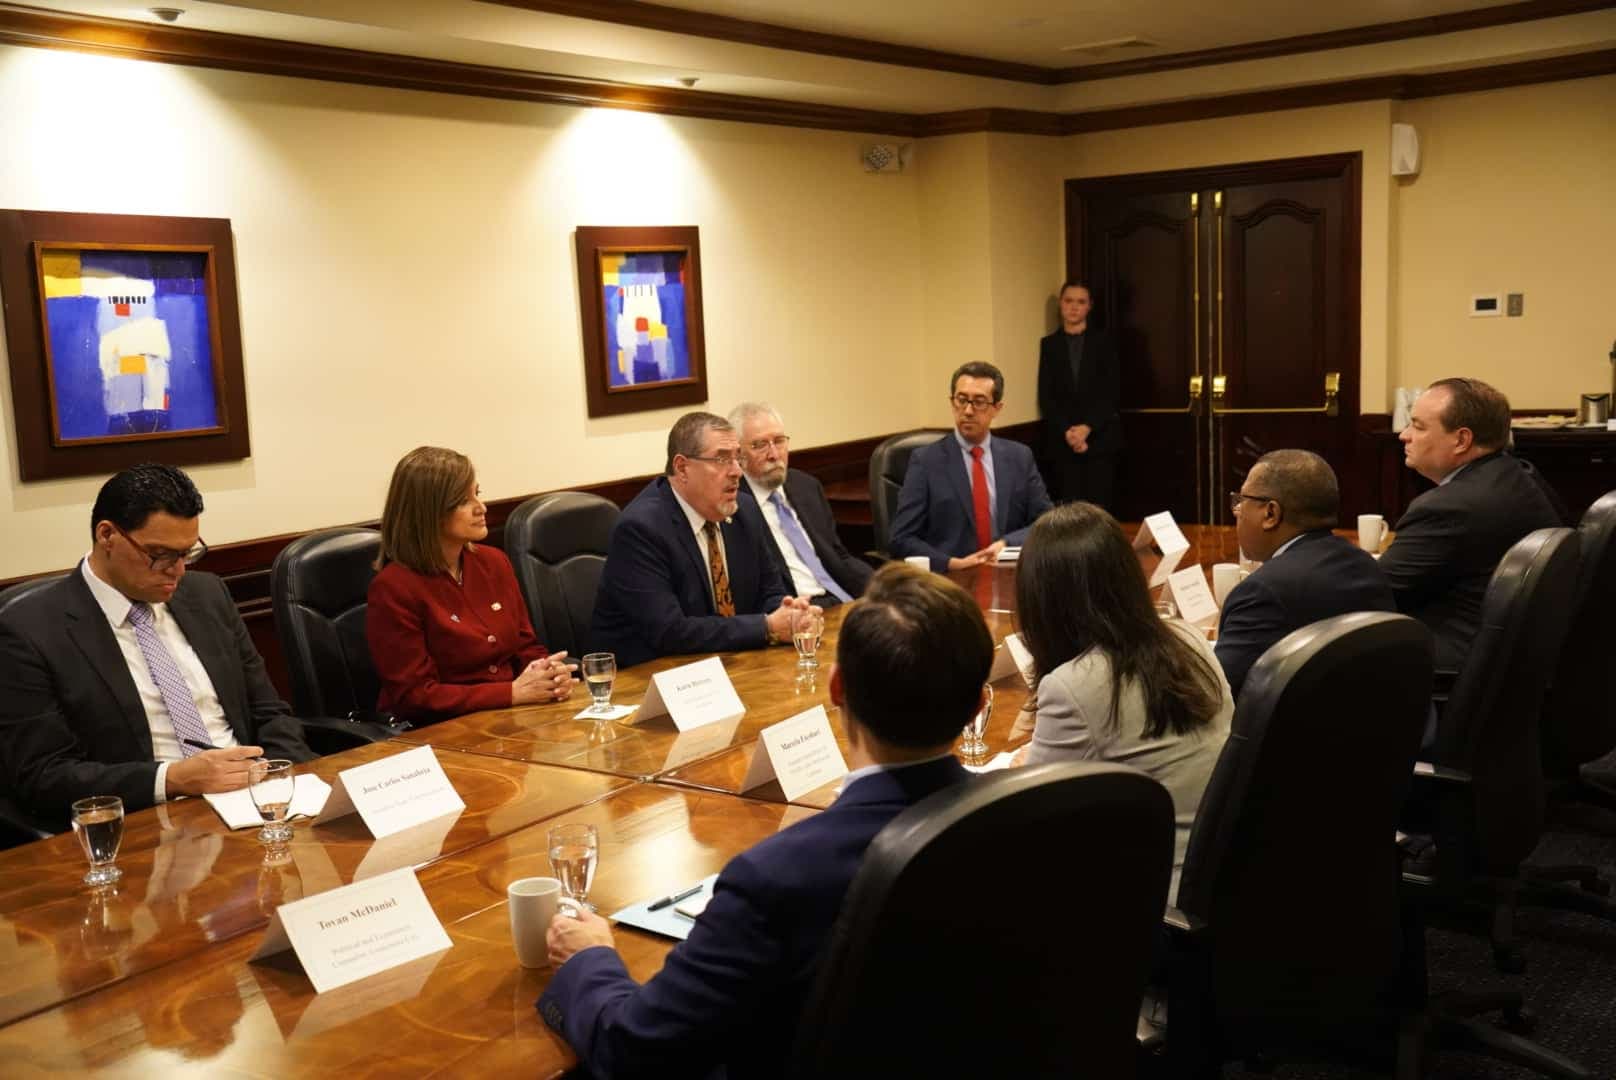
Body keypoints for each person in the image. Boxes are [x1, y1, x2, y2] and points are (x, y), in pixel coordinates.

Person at [539, 562, 986, 1079]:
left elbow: (633, 1052)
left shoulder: (777, 878)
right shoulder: (1020, 827)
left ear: (837, 689)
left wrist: (590, 959)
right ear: (976, 706)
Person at [0, 463, 313, 825]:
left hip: (257, 800)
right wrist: (172, 778)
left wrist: (279, 778)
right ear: (107, 536)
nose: (178, 570)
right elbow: (43, 776)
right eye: (161, 555)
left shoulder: (207, 593)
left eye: (188, 553)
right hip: (147, 818)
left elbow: (271, 712)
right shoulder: (30, 630)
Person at [1013, 502, 1232, 903]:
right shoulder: (1189, 638)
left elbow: (1031, 821)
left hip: (1151, 900)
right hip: (1225, 873)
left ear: (1041, 599)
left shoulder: (1071, 686)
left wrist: (1018, 770)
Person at [366, 446, 574, 725]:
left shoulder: (493, 562)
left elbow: (525, 647)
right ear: (429, 513)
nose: (481, 508)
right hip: (439, 732)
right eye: (464, 501)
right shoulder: (393, 588)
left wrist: (548, 672)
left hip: (515, 719)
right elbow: (415, 696)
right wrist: (510, 693)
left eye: (478, 493)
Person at [590, 412, 810, 669]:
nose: (737, 471)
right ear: (683, 467)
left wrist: (789, 614)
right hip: (646, 679)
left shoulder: (744, 510)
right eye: (721, 459)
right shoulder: (641, 529)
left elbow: (770, 590)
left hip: (729, 664)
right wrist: (767, 626)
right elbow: (671, 631)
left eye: (737, 457)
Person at [1379, 377, 1562, 673]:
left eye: (1419, 426)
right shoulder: (1522, 475)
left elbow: (1377, 593)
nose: (1404, 435)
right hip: (1523, 653)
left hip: (1458, 657)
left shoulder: (1448, 506)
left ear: (1461, 440)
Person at [1216, 449, 1395, 698]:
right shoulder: (1364, 564)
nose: (1237, 511)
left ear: (1270, 514)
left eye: (1242, 500)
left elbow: (1214, 695)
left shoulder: (1263, 592)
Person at [890, 361, 1054, 571]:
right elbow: (901, 537)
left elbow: (1046, 522)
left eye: (979, 402)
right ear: (952, 402)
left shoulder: (1019, 457)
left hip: (1007, 571)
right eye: (962, 400)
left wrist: (1006, 544)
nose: (968, 410)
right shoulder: (926, 461)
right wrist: (951, 564)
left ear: (997, 409)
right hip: (951, 579)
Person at [729, 401, 872, 605]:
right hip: (797, 608)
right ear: (738, 454)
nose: (774, 454)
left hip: (841, 598)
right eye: (760, 445)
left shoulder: (806, 486)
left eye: (779, 441)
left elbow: (838, 556)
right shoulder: (733, 506)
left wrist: (884, 585)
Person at [1038, 281, 1121, 509]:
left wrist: (1087, 428)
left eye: (1081, 301)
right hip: (1062, 443)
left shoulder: (1104, 342)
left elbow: (1112, 393)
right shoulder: (1049, 345)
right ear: (1061, 305)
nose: (1074, 307)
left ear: (1089, 306)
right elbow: (1046, 396)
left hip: (1100, 438)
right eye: (1068, 301)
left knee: (1100, 511)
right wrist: (1069, 432)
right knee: (1068, 513)